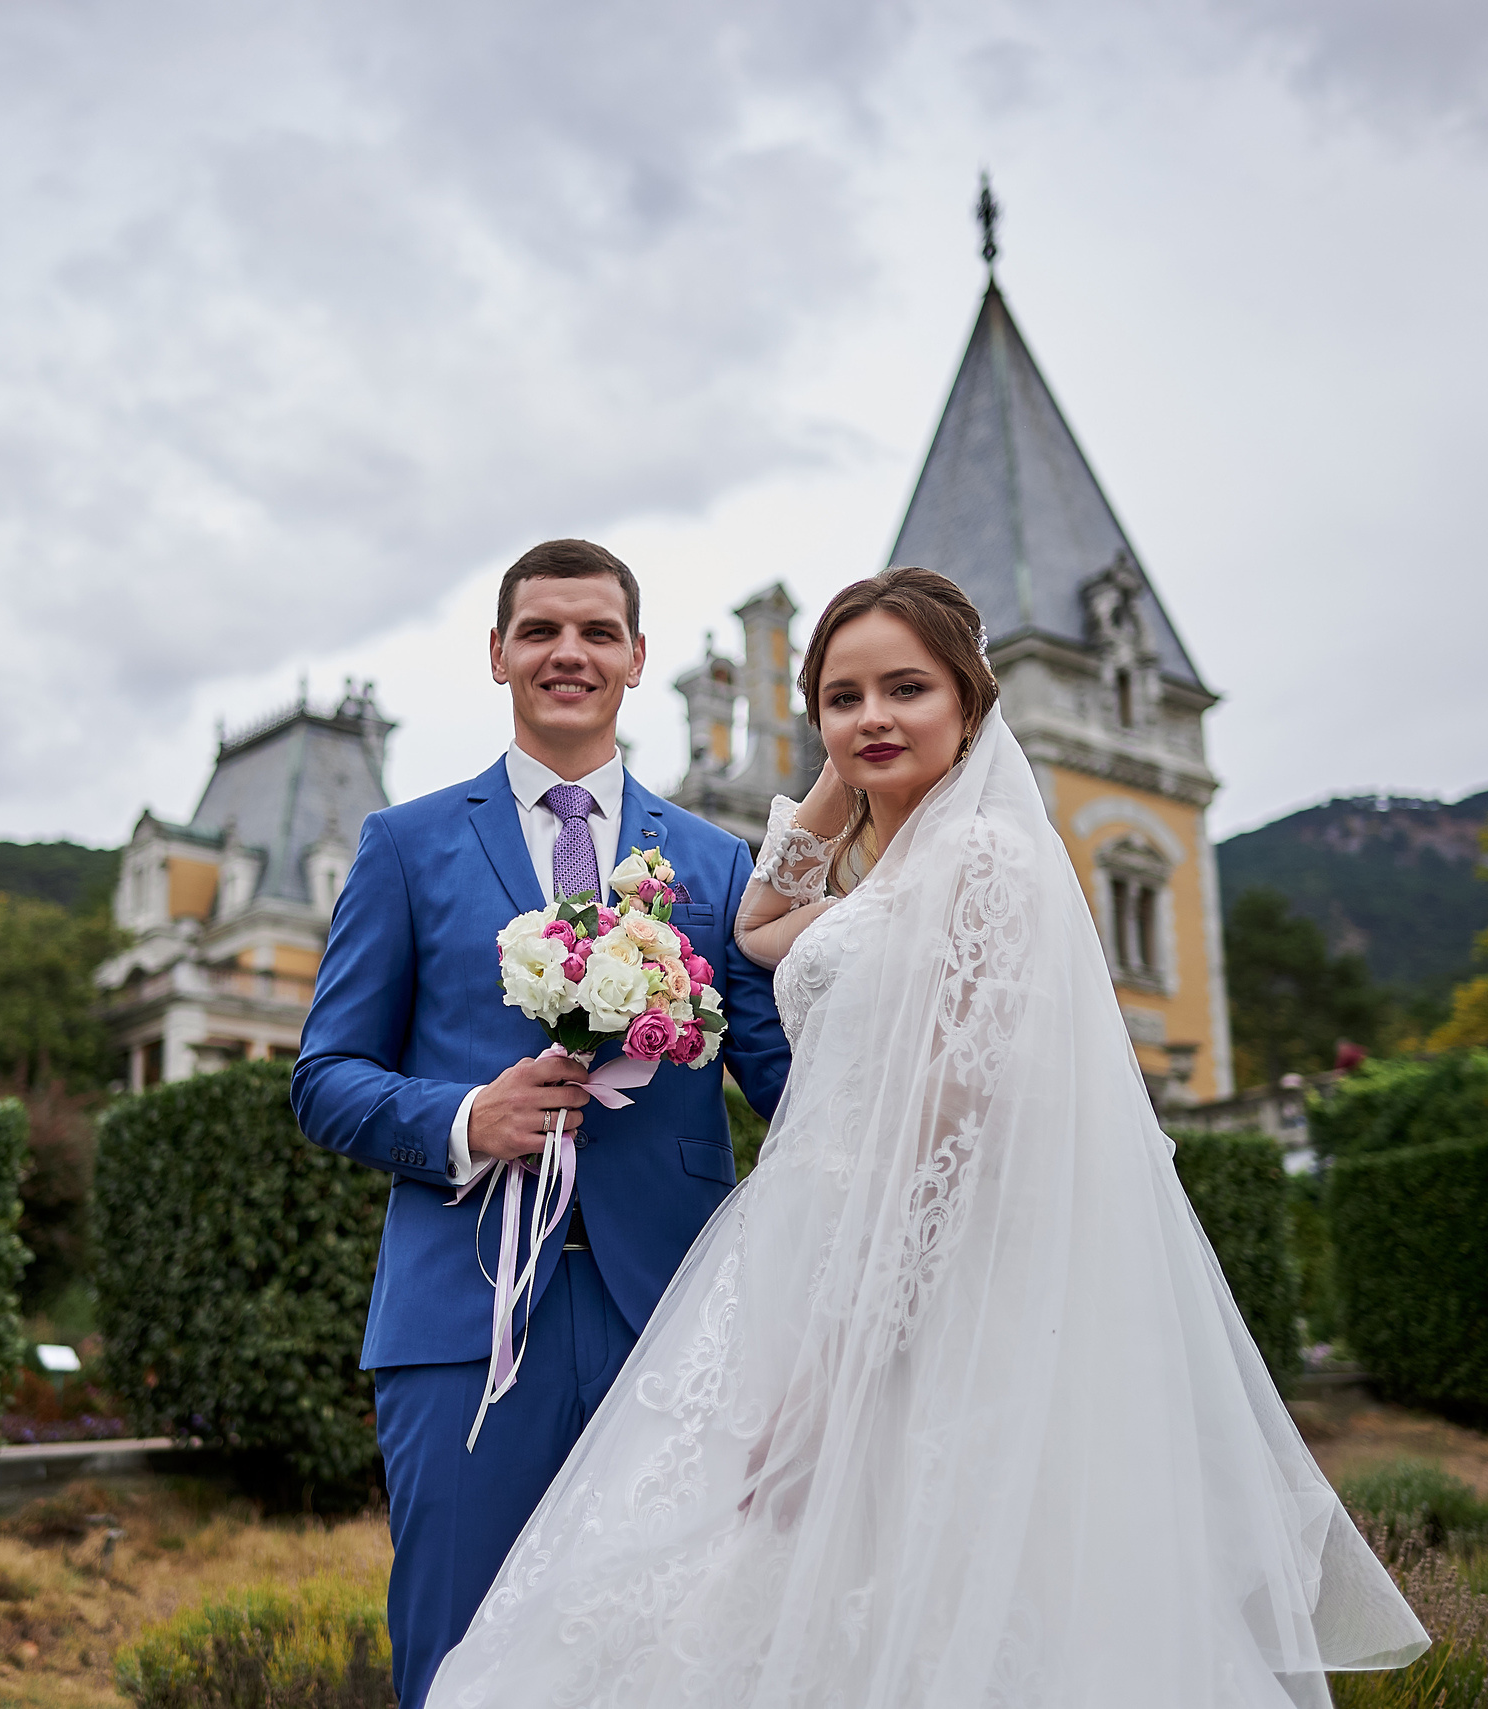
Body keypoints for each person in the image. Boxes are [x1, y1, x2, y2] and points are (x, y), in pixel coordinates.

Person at [423, 568, 1429, 1708]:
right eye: (843, 697)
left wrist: (833, 1371)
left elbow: (938, 1145)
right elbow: (756, 928)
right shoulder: (884, 876)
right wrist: (842, 773)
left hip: (902, 1296)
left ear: (972, 702)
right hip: (804, 1261)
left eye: (908, 688)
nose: (874, 716)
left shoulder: (986, 864)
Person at [291, 538, 794, 1708]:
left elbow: (784, 1078)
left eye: (596, 632)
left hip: (668, 1323)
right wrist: (469, 1112)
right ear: (498, 655)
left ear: (634, 660)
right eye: (541, 630)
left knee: (669, 1648)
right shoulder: (405, 844)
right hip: (460, 1324)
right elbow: (325, 1077)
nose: (568, 651)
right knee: (459, 1649)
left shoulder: (718, 865)